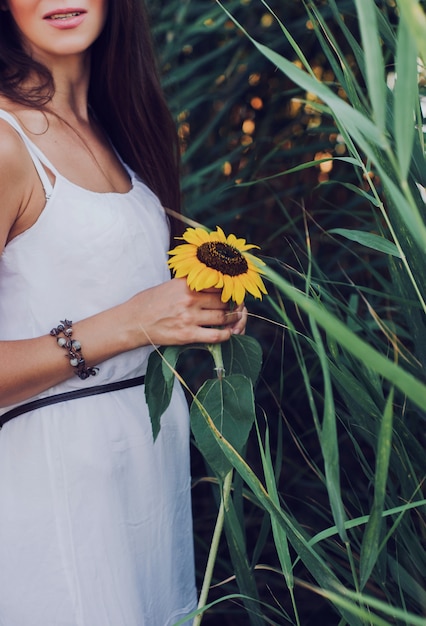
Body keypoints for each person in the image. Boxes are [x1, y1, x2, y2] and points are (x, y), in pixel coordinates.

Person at [0, 1, 246, 624]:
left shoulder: (116, 129)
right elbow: (121, 320)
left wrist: (191, 316)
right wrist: (130, 323)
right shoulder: (5, 142)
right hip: (51, 490)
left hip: (143, 483)